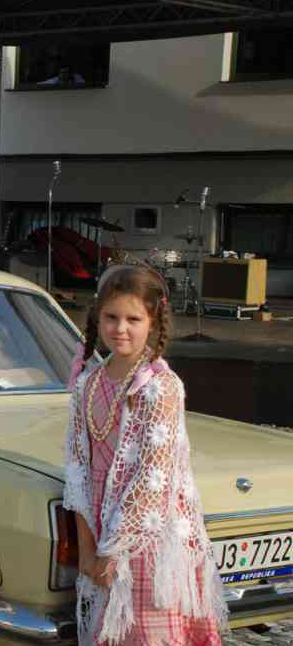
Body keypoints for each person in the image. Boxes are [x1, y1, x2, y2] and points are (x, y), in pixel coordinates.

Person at [63, 265, 227, 645]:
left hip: (149, 538)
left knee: (147, 634)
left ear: (152, 322)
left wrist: (113, 551)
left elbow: (153, 480)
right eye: (111, 317)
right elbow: (77, 471)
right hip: (102, 530)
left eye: (133, 319)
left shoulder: (161, 387)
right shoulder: (87, 384)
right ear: (97, 317)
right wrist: (87, 550)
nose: (120, 328)